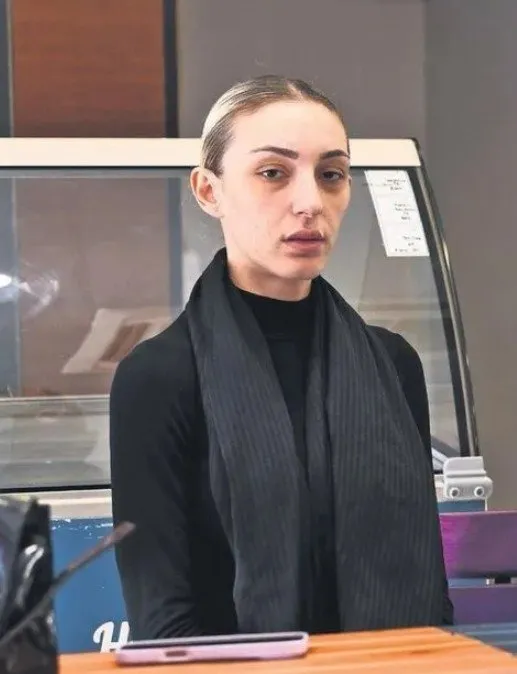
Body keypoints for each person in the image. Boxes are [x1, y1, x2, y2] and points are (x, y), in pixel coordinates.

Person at [110, 74, 453, 640]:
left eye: (331, 174)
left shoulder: (392, 364)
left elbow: (429, 589)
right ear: (209, 191)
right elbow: (161, 619)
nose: (310, 202)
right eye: (273, 173)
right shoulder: (159, 376)